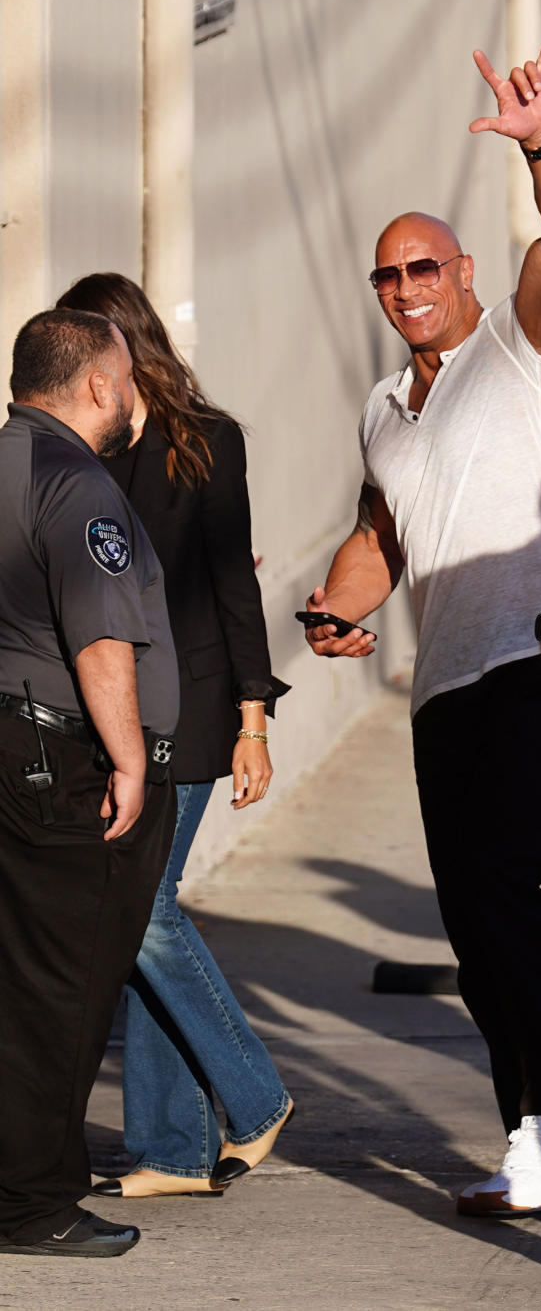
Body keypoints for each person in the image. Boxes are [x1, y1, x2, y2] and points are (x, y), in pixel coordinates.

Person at [304, 41, 541, 1217]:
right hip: (445, 693)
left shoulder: (520, 344)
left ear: (465, 269)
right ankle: (538, 1131)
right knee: (475, 922)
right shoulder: (389, 404)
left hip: (537, 659)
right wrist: (340, 605)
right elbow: (383, 529)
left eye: (423, 265)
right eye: (388, 276)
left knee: (502, 888)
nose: (407, 286)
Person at [56, 274, 292, 1199]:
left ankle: (257, 1094)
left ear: (129, 345)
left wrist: (253, 723)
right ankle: (173, 1150)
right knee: (144, 909)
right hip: (111, 711)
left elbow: (236, 584)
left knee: (145, 913)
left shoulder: (208, 441)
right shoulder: (79, 452)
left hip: (193, 708)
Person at [0, 310, 179, 1257]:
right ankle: (35, 1204)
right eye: (129, 378)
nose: (136, 396)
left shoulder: (6, 462)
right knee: (63, 992)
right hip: (64, 762)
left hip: (14, 751)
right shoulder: (78, 485)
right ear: (100, 385)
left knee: (19, 978)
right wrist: (126, 761)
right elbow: (101, 640)